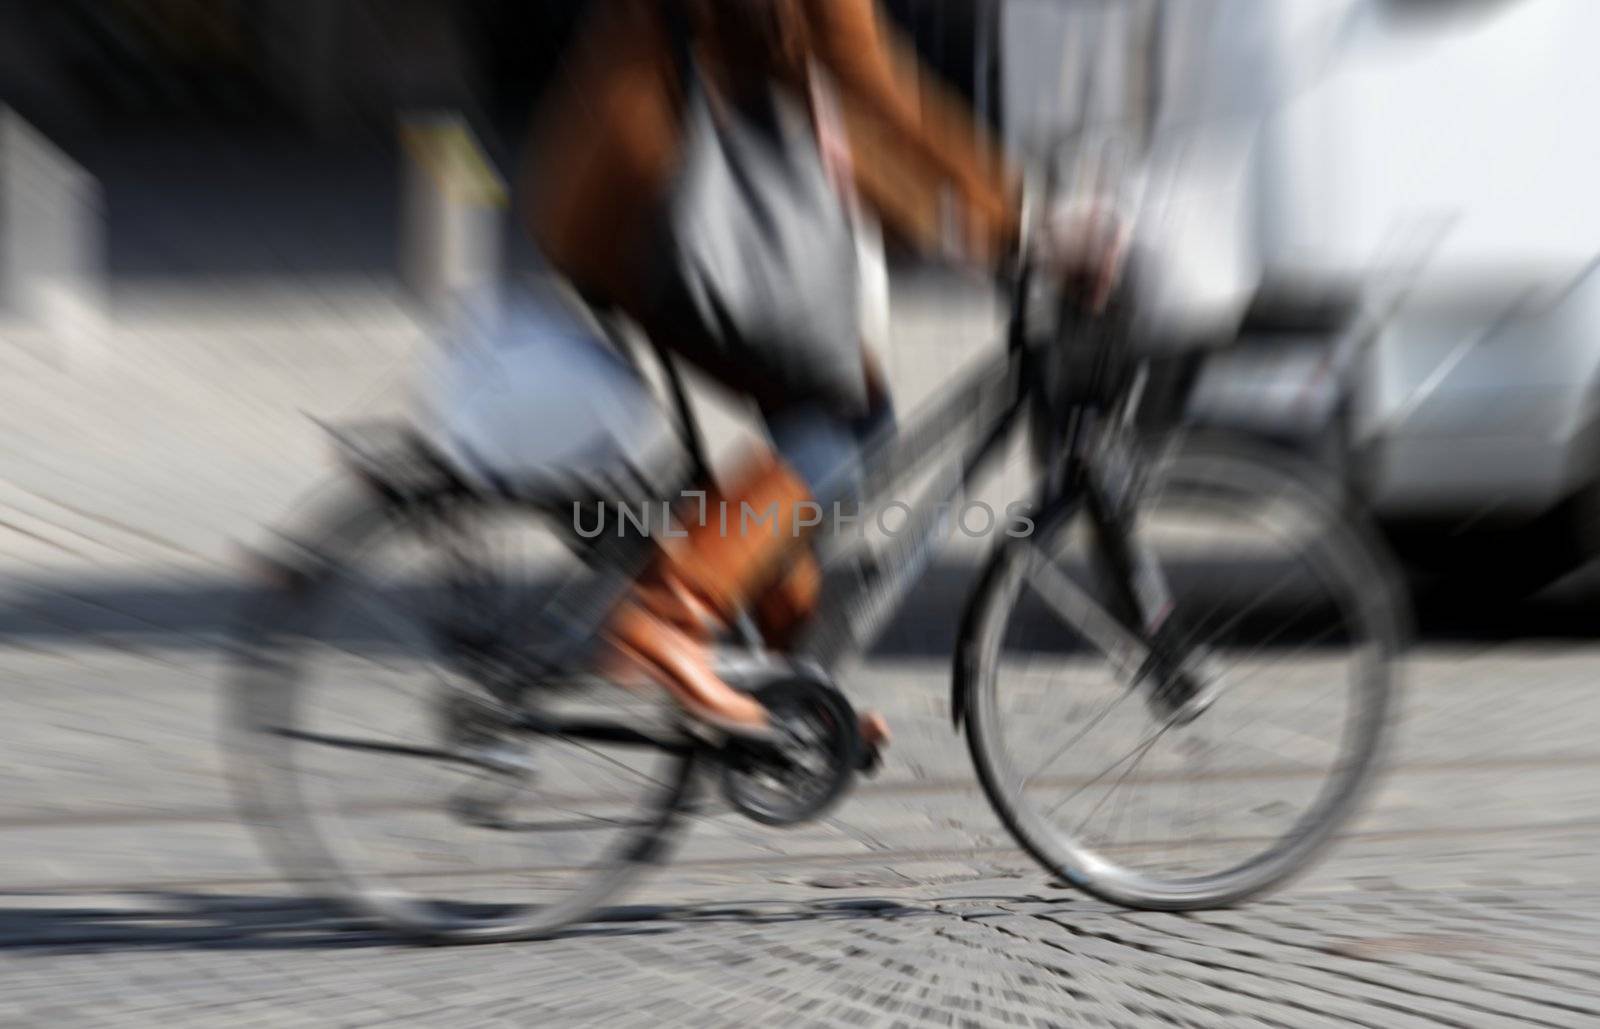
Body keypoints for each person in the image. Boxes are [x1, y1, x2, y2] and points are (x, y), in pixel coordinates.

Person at [521, 0, 1122, 756]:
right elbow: (865, 76)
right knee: (849, 424)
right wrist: (1022, 218)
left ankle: (777, 695)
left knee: (822, 427)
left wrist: (967, 223)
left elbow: (825, 94)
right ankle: (672, 616)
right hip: (661, 204)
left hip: (645, 183)